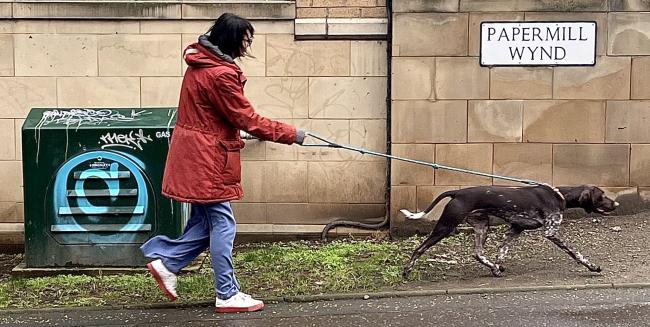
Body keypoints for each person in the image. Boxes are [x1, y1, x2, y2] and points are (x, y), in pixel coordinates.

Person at [140, 12, 306, 313]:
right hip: (207, 158)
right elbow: (246, 118)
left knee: (204, 223)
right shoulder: (221, 74)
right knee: (223, 223)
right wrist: (292, 134)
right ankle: (226, 293)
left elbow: (215, 114)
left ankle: (168, 263)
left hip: (194, 152)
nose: (248, 44)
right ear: (232, 39)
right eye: (246, 39)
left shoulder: (200, 64)